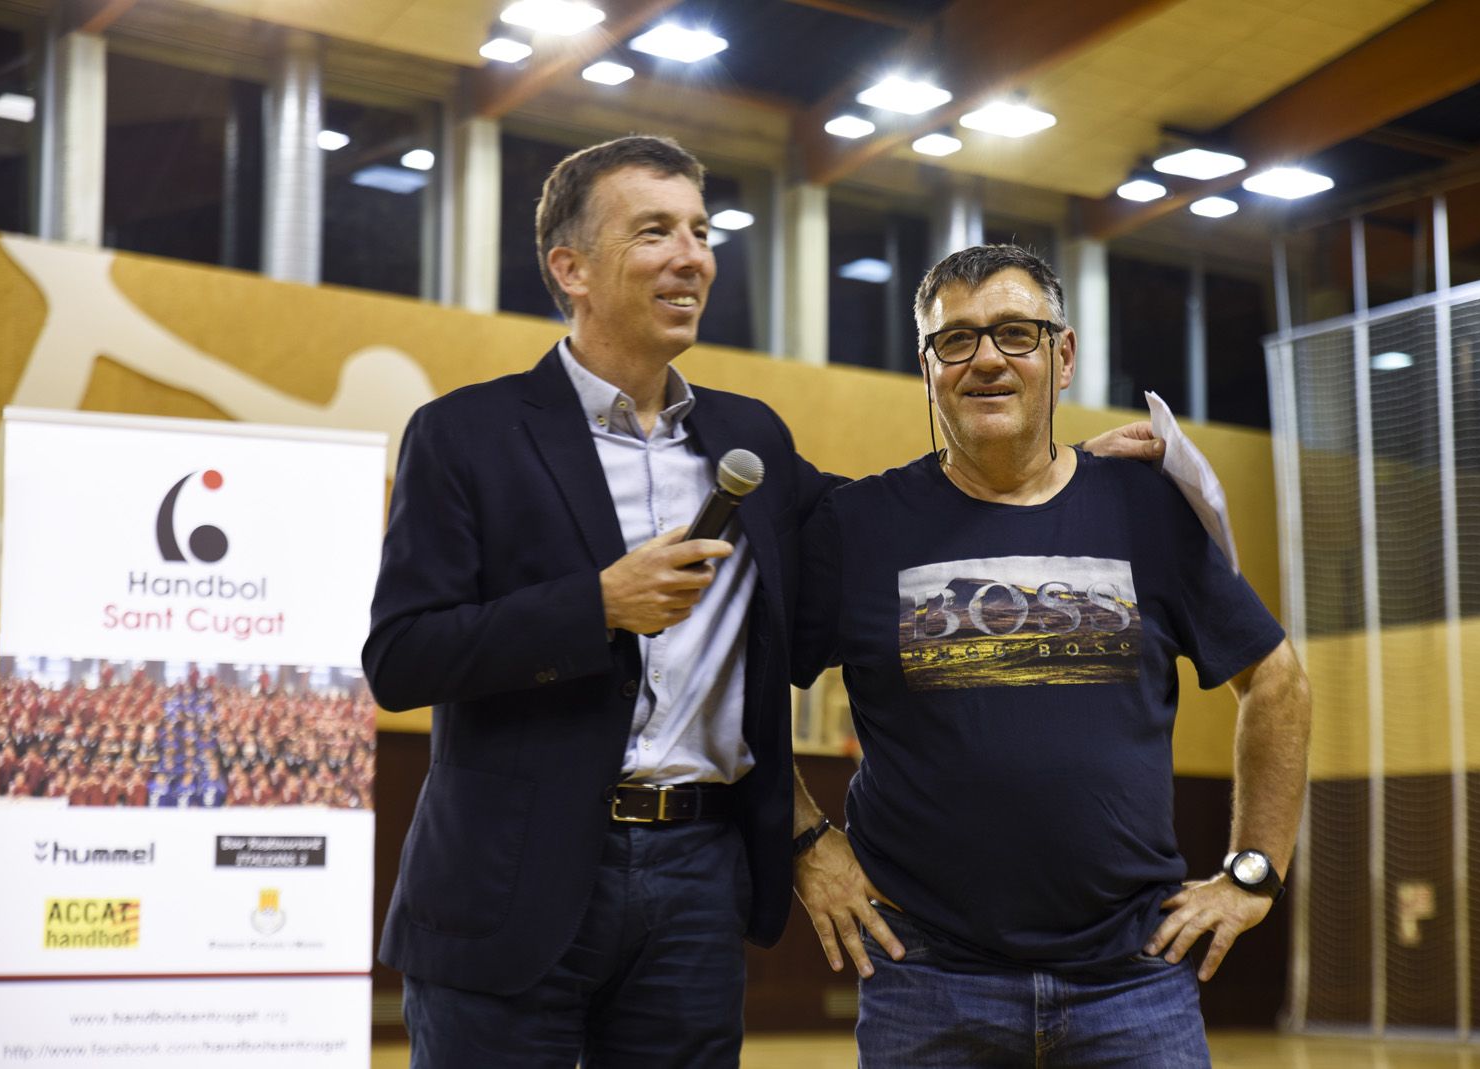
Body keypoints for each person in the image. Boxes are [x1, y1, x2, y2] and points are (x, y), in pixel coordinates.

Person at [365, 137, 1161, 1067]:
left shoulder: (751, 437)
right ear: (569, 267)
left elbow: (902, 519)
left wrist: (1053, 471)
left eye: (701, 231)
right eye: (654, 230)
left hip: (698, 879)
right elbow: (402, 656)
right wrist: (596, 606)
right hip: (508, 882)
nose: (692, 254)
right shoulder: (466, 434)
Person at [790, 244, 1311, 1067]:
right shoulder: (858, 527)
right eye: (956, 340)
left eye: (1015, 333)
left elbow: (1276, 679)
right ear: (927, 368)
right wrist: (803, 838)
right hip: (926, 977)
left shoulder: (1146, 510)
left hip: (1134, 980)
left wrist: (1252, 872)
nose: (986, 358)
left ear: (1062, 356)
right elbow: (733, 684)